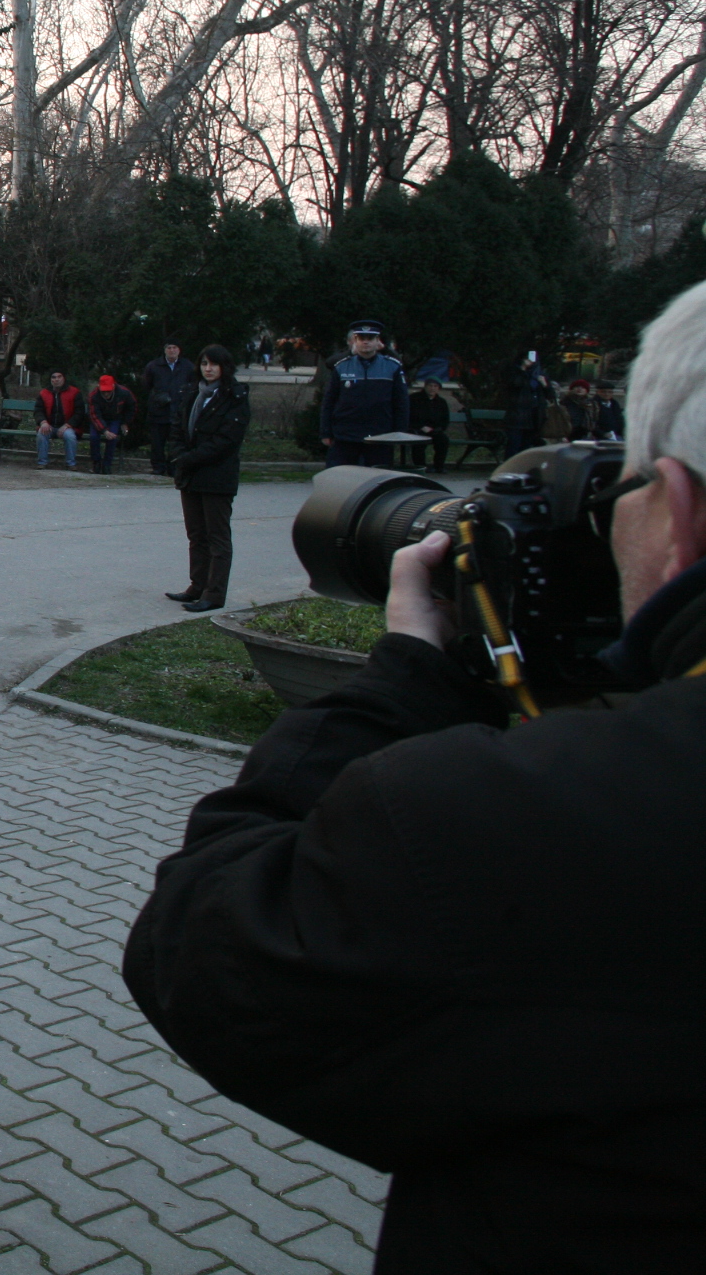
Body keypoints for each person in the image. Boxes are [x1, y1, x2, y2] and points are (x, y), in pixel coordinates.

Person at [125, 276, 706, 1271]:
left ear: (681, 509)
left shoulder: (545, 814)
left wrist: (410, 675)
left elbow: (207, 942)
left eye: (628, 482)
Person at [162, 345, 247, 613]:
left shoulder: (235, 396)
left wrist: (189, 457)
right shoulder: (193, 393)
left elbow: (226, 440)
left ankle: (214, 593)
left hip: (217, 477)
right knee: (196, 534)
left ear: (225, 367)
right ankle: (197, 585)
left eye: (214, 364)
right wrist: (178, 455)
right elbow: (177, 428)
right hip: (191, 475)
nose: (208, 369)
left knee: (217, 537)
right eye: (204, 363)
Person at [320, 318, 409, 467]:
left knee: (377, 480)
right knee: (341, 480)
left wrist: (400, 431)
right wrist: (325, 432)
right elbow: (329, 401)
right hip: (346, 435)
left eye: (370, 338)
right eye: (361, 338)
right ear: (355, 340)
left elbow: (401, 402)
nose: (365, 342)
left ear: (377, 341)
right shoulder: (342, 367)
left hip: (380, 435)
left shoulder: (392, 367)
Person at [141, 340, 193, 474]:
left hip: (178, 412)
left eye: (174, 347)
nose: (172, 350)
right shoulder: (153, 366)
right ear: (165, 350)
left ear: (179, 350)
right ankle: (158, 468)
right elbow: (146, 386)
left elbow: (193, 385)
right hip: (159, 411)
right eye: (169, 348)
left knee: (175, 442)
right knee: (157, 443)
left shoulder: (187, 366)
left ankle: (173, 468)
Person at [87, 373, 137, 475]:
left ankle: (107, 464)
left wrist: (125, 422)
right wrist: (104, 430)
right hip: (98, 419)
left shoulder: (124, 393)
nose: (106, 394)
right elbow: (94, 415)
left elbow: (132, 408)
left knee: (113, 437)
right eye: (103, 391)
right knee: (93, 437)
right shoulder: (93, 396)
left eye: (108, 391)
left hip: (115, 419)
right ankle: (96, 462)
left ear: (113, 387)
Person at [34, 370, 82, 469]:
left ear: (64, 378)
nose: (56, 379)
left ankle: (71, 464)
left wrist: (68, 425)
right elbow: (38, 411)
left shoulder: (75, 392)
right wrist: (43, 422)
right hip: (49, 425)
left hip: (67, 426)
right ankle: (42, 462)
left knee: (70, 436)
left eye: (59, 377)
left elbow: (80, 412)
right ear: (51, 380)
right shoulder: (44, 393)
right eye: (53, 377)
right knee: (41, 434)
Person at [410, 377, 451, 471]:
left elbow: (445, 420)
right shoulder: (414, 399)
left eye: (435, 386)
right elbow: (410, 417)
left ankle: (439, 466)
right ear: (425, 386)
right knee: (419, 442)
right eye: (430, 385)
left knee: (443, 440)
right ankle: (421, 466)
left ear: (438, 388)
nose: (432, 388)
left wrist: (438, 429)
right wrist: (420, 427)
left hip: (435, 430)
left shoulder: (441, 402)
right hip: (417, 429)